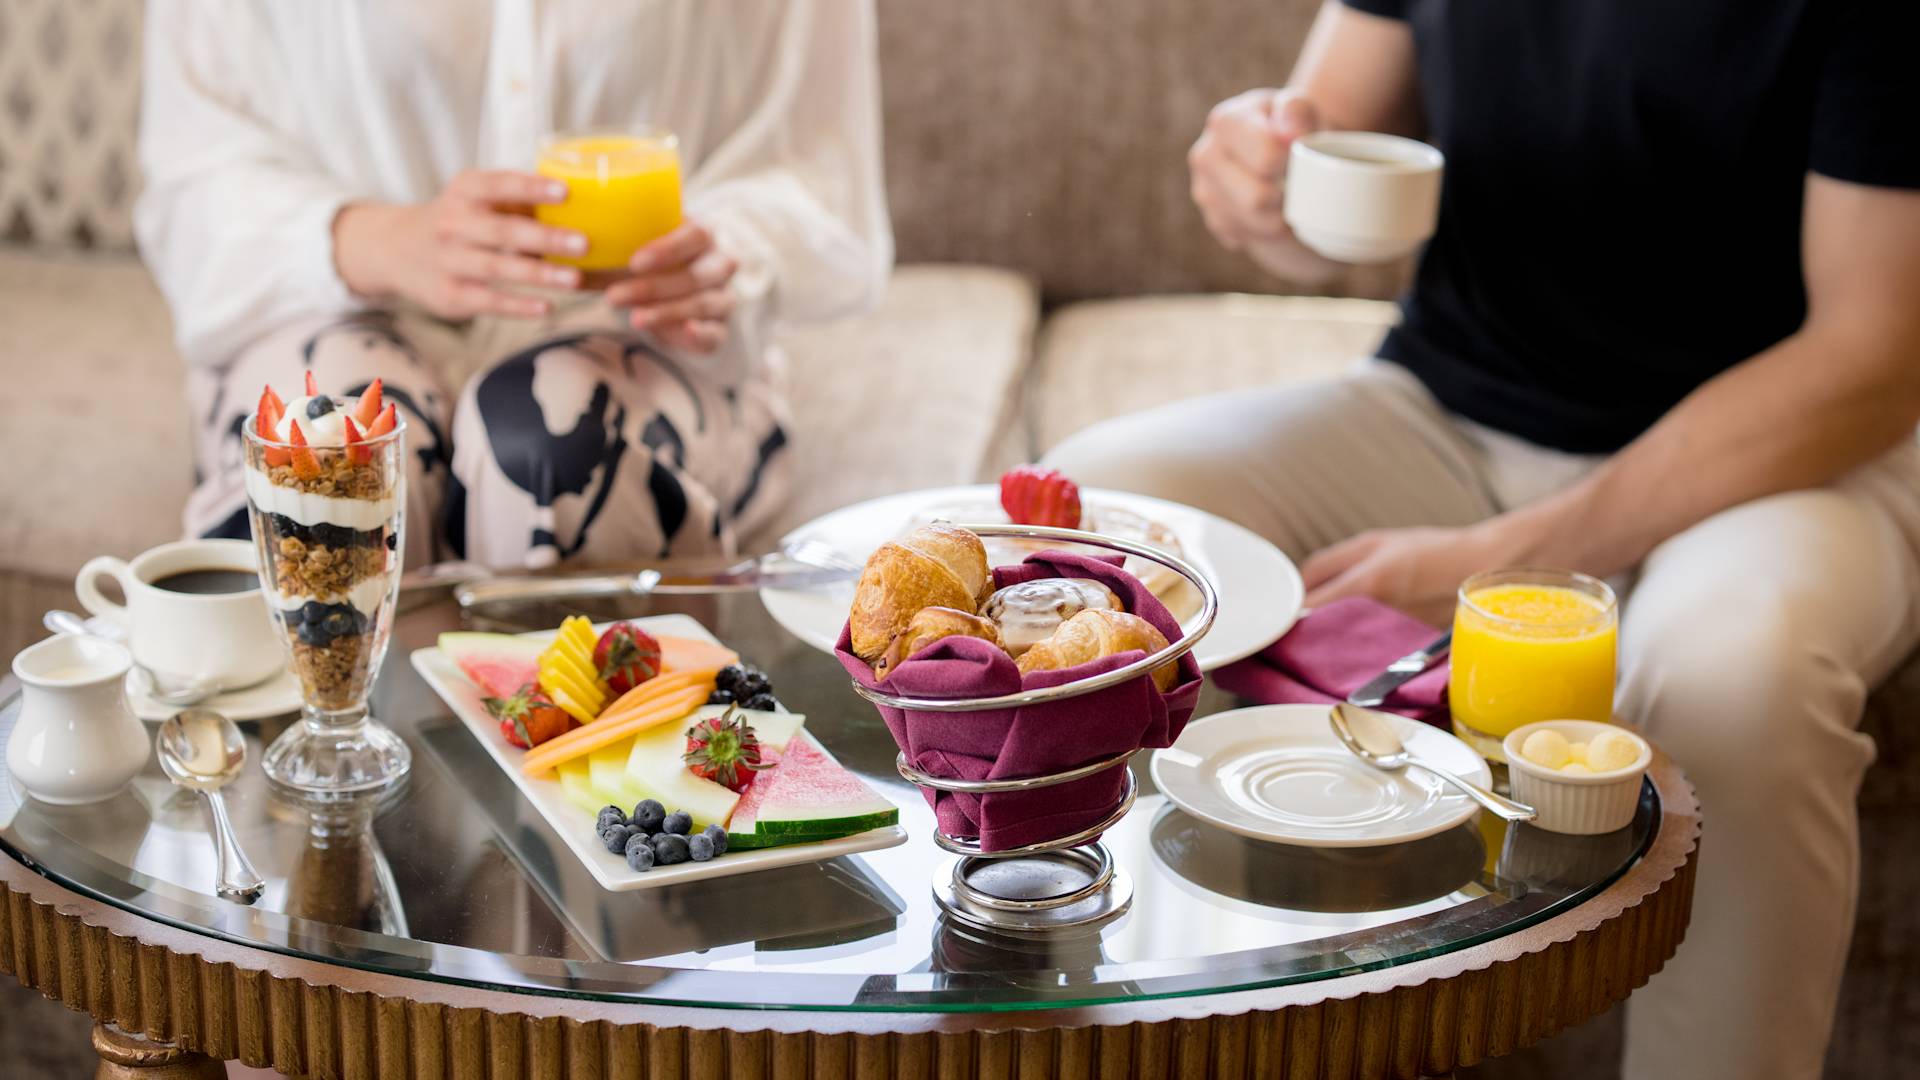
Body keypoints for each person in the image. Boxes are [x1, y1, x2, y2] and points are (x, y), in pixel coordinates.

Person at [1046, 1, 1920, 1076]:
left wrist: (1509, 555)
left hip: (1782, 465)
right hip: (1453, 410)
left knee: (1734, 681)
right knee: (1112, 524)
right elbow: (1320, 189)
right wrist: (1263, 187)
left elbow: (1874, 355)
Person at [137, 1, 890, 569]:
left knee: (552, 449)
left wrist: (729, 252)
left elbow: (824, 170)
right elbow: (187, 170)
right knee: (334, 457)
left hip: (632, 327)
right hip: (340, 301)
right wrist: (372, 239)